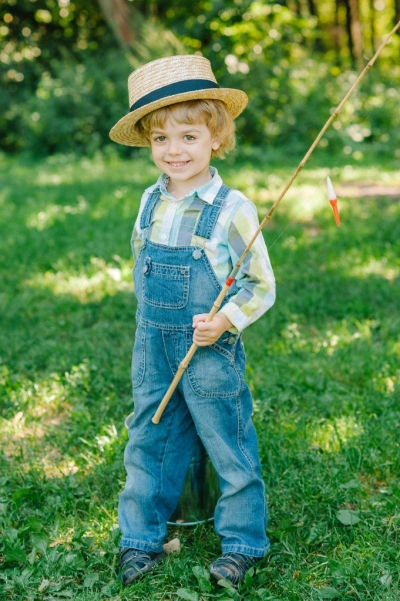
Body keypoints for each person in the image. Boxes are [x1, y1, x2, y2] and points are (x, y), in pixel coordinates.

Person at [109, 54, 276, 588]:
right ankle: (140, 539)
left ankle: (243, 542)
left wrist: (224, 321)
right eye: (161, 139)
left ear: (216, 138)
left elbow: (260, 284)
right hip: (152, 342)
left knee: (226, 438)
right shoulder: (148, 201)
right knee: (149, 433)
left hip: (210, 346)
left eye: (187, 136)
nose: (174, 151)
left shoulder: (232, 209)